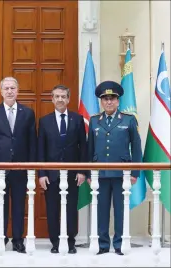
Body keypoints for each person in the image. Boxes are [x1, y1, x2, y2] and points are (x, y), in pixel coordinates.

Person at [88, 81, 142, 256]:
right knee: (101, 210)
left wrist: (135, 173)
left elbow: (136, 147)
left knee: (120, 210)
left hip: (122, 174)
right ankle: (103, 244)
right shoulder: (95, 120)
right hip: (100, 174)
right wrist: (89, 173)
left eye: (112, 99)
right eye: (105, 99)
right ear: (101, 102)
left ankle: (119, 243)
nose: (109, 102)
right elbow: (90, 148)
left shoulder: (128, 119)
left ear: (118, 101)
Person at [0, 77, 37, 253]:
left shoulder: (27, 113)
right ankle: (1, 237)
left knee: (19, 205)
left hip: (21, 168)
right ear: (1, 91)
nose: (9, 91)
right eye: (6, 88)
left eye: (12, 88)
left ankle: (18, 240)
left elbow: (32, 143)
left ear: (18, 90)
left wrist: (31, 167)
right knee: (0, 203)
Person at [38, 84, 87, 254]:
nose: (60, 99)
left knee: (71, 208)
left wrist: (82, 171)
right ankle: (55, 242)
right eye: (56, 96)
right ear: (52, 99)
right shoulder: (44, 121)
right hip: (51, 175)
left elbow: (83, 147)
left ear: (68, 99)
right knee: (52, 209)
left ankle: (71, 241)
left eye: (63, 96)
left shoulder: (77, 119)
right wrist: (42, 174)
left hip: (73, 174)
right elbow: (41, 149)